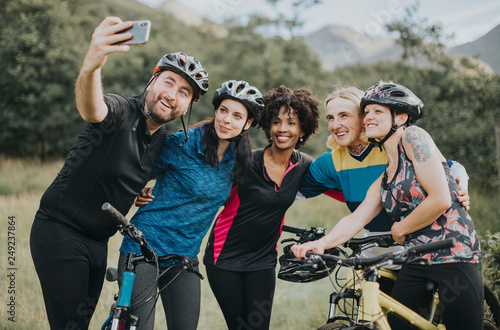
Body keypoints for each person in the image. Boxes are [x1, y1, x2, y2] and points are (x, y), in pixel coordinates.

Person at [29, 16, 208, 329]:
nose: (172, 94)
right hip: (60, 230)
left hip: (99, 242)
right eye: (168, 82)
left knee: (80, 321)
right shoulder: (122, 111)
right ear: (152, 81)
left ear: (188, 105)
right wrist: (92, 65)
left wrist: (139, 190)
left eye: (184, 92)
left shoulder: (162, 140)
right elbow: (93, 108)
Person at [292, 82, 482, 329]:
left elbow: (441, 199)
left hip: (453, 253)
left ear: (401, 117)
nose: (369, 117)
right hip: (415, 258)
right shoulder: (385, 174)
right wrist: (322, 243)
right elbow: (357, 218)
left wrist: (399, 230)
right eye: (367, 112)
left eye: (377, 112)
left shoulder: (414, 137)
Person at [118, 80, 264, 330]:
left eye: (237, 115)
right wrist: (135, 193)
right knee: (140, 327)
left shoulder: (240, 161)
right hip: (142, 247)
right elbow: (135, 174)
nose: (226, 120)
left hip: (184, 255)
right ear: (216, 110)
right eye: (223, 110)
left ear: (247, 123)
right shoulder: (182, 144)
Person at [298, 86, 470, 263]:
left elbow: (450, 167)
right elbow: (292, 190)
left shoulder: (392, 146)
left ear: (363, 118)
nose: (335, 125)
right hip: (372, 251)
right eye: (330, 118)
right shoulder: (330, 162)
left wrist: (459, 187)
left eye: (344, 115)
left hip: (419, 244)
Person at [203, 85, 321, 330]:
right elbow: (205, 186)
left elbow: (341, 188)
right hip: (224, 259)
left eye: (291, 123)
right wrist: (148, 190)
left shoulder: (304, 166)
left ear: (303, 130)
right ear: (268, 124)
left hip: (263, 261)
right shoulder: (245, 159)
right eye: (276, 122)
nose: (282, 129)